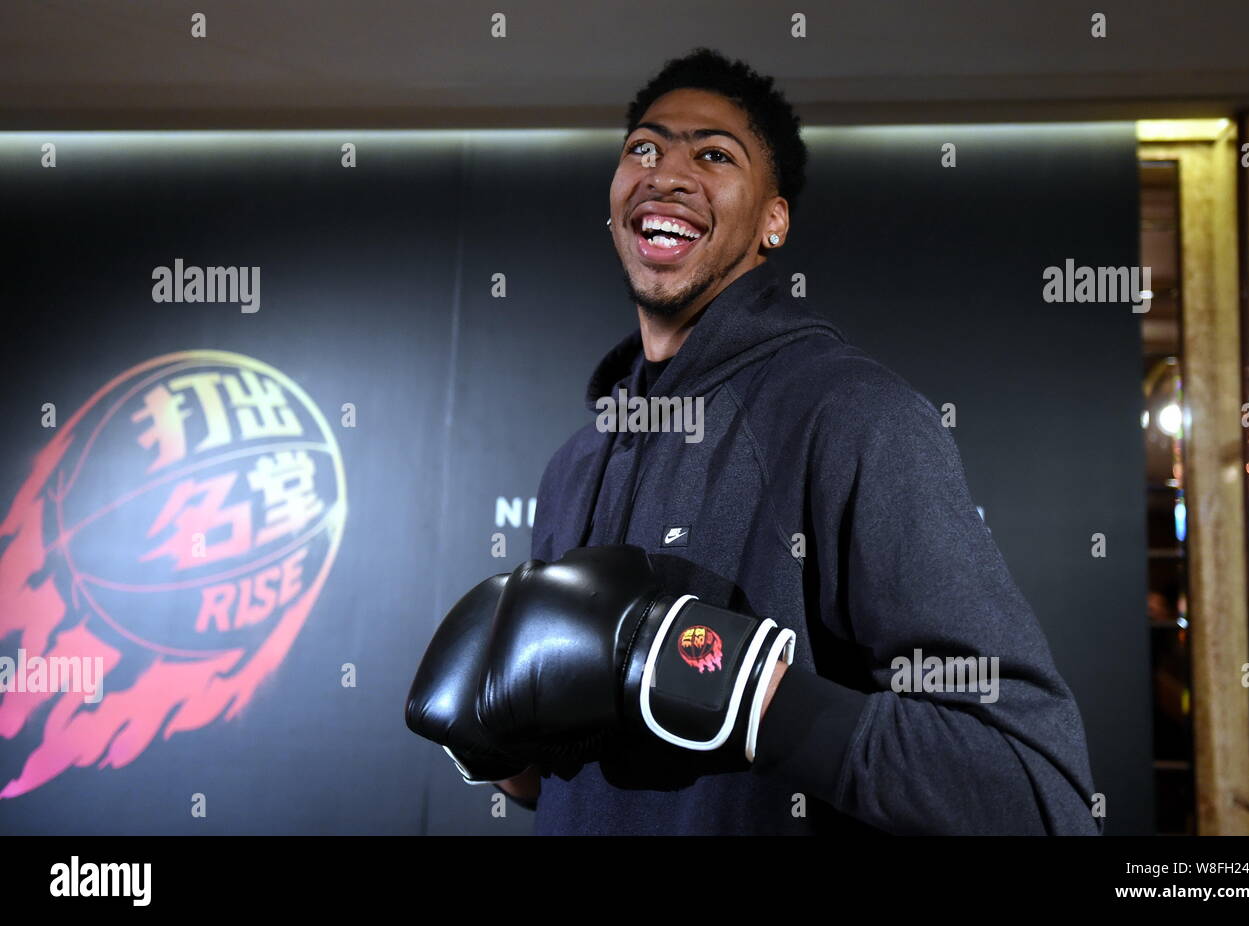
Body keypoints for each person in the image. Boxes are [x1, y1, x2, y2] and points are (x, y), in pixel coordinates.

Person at [408, 47, 1101, 836]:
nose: (665, 173)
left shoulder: (852, 415)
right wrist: (506, 752)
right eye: (644, 147)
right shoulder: (576, 465)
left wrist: (732, 686)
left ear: (773, 220)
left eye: (713, 154)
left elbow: (1032, 793)